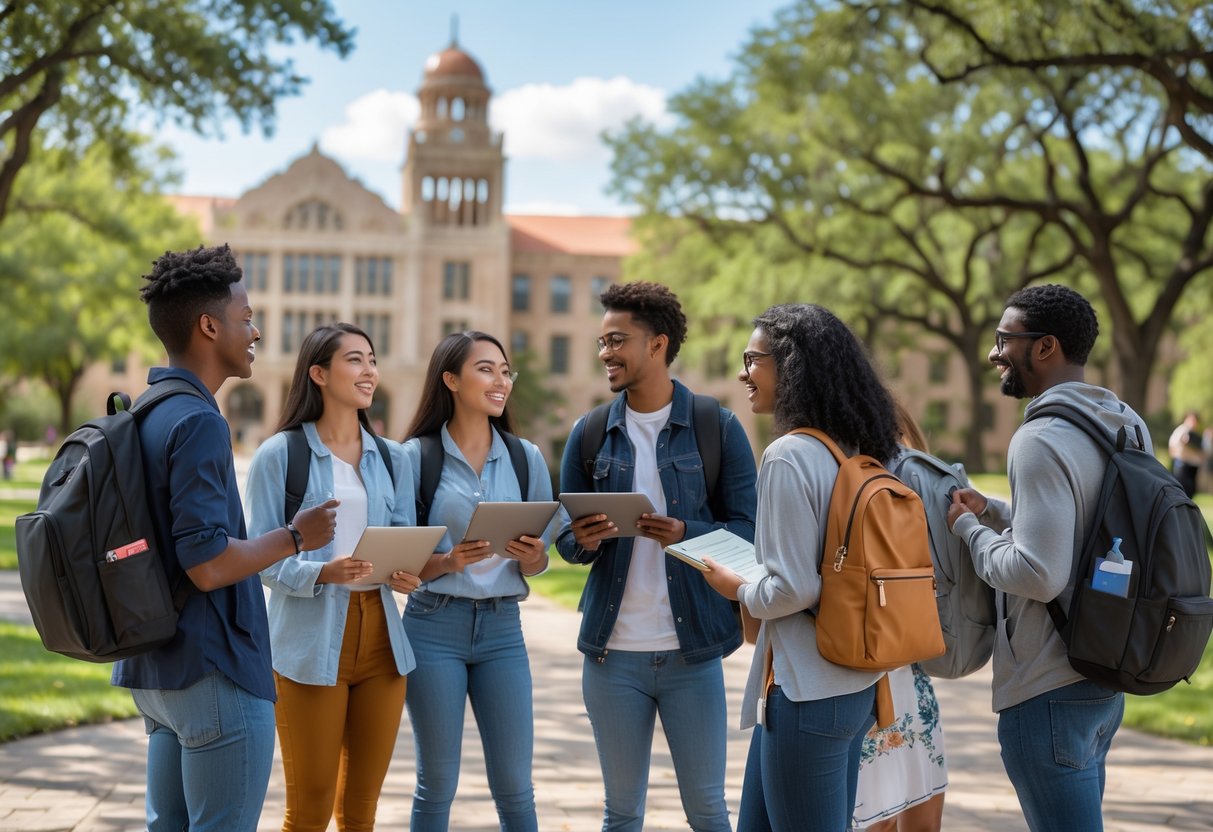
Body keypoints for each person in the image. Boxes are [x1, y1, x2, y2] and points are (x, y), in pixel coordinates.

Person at [111, 244, 338, 832]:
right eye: (245, 317)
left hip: (158, 672)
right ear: (209, 326)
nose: (255, 329)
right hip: (213, 671)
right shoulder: (200, 420)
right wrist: (295, 535)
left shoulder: (145, 410)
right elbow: (208, 563)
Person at [945, 284, 1149, 832]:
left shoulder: (1039, 438)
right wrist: (993, 511)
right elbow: (1090, 524)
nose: (994, 353)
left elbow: (1036, 573)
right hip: (1106, 672)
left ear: (1044, 347)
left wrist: (968, 530)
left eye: (1003, 339)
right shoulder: (1123, 421)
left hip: (1047, 688)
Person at [557, 281, 757, 832]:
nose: (605, 354)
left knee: (709, 812)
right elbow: (566, 538)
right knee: (620, 814)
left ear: (658, 344)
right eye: (601, 343)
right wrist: (586, 540)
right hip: (611, 654)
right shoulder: (591, 432)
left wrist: (684, 534)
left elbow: (748, 532)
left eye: (617, 340)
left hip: (691, 655)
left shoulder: (718, 426)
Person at [701, 303, 888, 831]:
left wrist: (735, 586)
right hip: (851, 681)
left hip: (806, 692)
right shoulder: (847, 451)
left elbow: (792, 589)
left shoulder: (787, 455)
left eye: (752, 359)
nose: (743, 372)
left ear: (792, 367)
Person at [245, 323, 421, 831]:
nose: (369, 371)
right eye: (355, 361)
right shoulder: (280, 454)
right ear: (318, 374)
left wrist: (408, 574)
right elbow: (261, 558)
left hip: (384, 641)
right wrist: (324, 572)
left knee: (362, 809)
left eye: (372, 359)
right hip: (307, 639)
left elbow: (407, 536)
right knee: (309, 810)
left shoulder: (394, 457)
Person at [400, 330, 554, 832]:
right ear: (451, 379)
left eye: (505, 371)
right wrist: (448, 562)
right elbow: (400, 565)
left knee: (514, 785)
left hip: (503, 630)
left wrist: (532, 558)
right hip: (432, 626)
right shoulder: (414, 458)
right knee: (437, 782)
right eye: (486, 369)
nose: (500, 380)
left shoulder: (525, 456)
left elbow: (539, 559)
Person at [851, 404, 947, 832]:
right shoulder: (916, 479)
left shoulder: (854, 482)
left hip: (874, 669)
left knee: (880, 815)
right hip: (903, 670)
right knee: (906, 810)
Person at [1168, 411, 1204, 498]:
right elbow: (1172, 447)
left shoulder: (1196, 434)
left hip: (1192, 465)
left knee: (1190, 490)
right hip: (1182, 465)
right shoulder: (1182, 431)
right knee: (1183, 488)